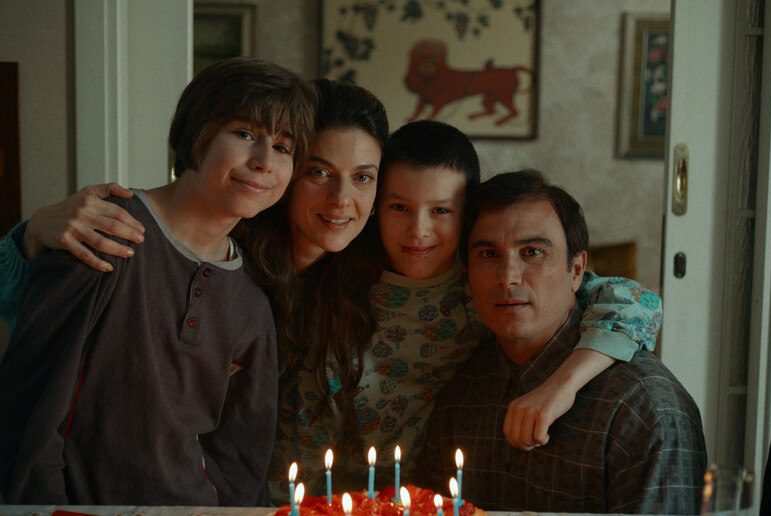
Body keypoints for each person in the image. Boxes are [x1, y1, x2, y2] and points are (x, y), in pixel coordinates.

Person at [268, 121, 666, 501]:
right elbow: (304, 429)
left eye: (441, 211)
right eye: (399, 207)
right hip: (339, 495)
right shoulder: (340, 288)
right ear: (375, 207)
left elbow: (638, 302)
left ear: (467, 217)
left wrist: (560, 387)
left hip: (441, 489)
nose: (419, 230)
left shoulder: (487, 285)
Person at [0, 57, 317, 505]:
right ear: (198, 132)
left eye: (283, 148)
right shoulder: (105, 231)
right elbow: (29, 407)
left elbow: (241, 459)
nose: (265, 161)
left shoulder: (251, 302)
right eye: (245, 134)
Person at [417, 169, 707, 514]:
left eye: (533, 252)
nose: (508, 277)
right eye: (488, 255)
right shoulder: (461, 391)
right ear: (466, 271)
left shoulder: (642, 406)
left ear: (577, 270)